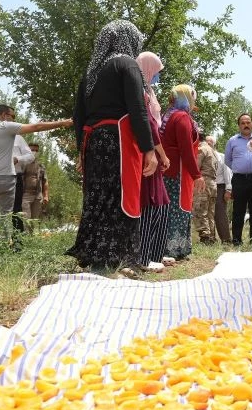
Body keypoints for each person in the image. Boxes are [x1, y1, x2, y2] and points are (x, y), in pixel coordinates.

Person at [67, 20, 157, 271]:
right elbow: (138, 109)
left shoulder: (91, 73)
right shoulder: (127, 64)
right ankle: (119, 260)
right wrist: (148, 148)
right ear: (128, 39)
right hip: (118, 138)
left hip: (93, 141)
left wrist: (80, 150)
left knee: (97, 197)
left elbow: (78, 118)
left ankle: (98, 256)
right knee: (120, 196)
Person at [0, 105, 71, 243]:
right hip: (3, 178)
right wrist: (63, 123)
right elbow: (37, 127)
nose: (14, 119)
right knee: (3, 217)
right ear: (4, 115)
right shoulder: (5, 127)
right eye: (13, 116)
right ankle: (2, 249)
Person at [135, 51, 171, 269]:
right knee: (149, 203)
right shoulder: (138, 91)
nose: (157, 76)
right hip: (147, 152)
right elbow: (148, 123)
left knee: (161, 203)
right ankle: (143, 257)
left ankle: (155, 254)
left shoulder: (148, 91)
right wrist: (161, 153)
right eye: (155, 71)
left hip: (153, 151)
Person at [160, 84, 206, 259]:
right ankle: (174, 249)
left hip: (169, 170)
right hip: (178, 170)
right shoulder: (181, 118)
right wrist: (197, 175)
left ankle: (170, 248)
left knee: (171, 208)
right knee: (178, 208)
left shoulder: (169, 115)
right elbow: (186, 148)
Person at [225, 113, 252, 245]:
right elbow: (228, 160)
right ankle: (236, 240)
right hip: (239, 180)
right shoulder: (232, 141)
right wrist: (239, 168)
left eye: (248, 122)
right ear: (239, 125)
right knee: (238, 210)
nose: (246, 125)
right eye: (243, 123)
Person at [193, 136, 219, 244]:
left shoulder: (201, 149)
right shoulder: (212, 151)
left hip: (202, 183)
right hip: (212, 183)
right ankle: (212, 237)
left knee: (200, 210)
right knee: (210, 212)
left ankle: (205, 237)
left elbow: (196, 166)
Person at [20, 143, 48, 229]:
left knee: (34, 221)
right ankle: (26, 240)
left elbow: (45, 181)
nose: (34, 152)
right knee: (26, 220)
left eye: (36, 150)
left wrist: (46, 196)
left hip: (38, 196)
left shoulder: (41, 166)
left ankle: (32, 241)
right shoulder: (22, 164)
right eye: (32, 150)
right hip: (25, 196)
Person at [12, 133, 35, 232]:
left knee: (16, 210)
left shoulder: (18, 138)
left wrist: (18, 158)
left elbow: (30, 156)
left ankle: (17, 242)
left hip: (14, 177)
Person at [212, 136, 233, 244]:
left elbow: (228, 173)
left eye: (210, 142)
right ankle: (210, 240)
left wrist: (228, 189)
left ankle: (226, 240)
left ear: (215, 144)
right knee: (207, 214)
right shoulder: (200, 155)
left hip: (220, 187)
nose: (208, 144)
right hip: (205, 188)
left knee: (220, 214)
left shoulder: (222, 157)